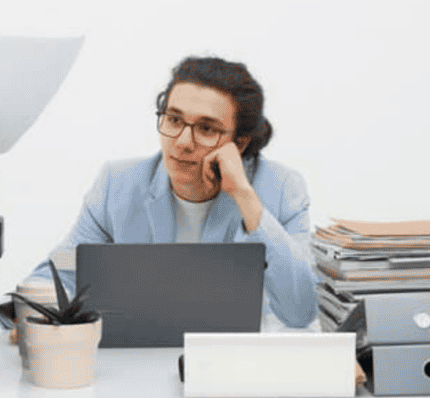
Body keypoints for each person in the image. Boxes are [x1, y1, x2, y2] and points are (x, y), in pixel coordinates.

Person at [26, 56, 318, 330]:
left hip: (236, 366)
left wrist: (244, 196)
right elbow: (58, 274)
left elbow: (301, 310)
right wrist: (36, 313)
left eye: (206, 128)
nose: (182, 142)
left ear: (239, 144)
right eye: (174, 120)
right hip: (139, 362)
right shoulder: (118, 185)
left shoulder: (280, 189)